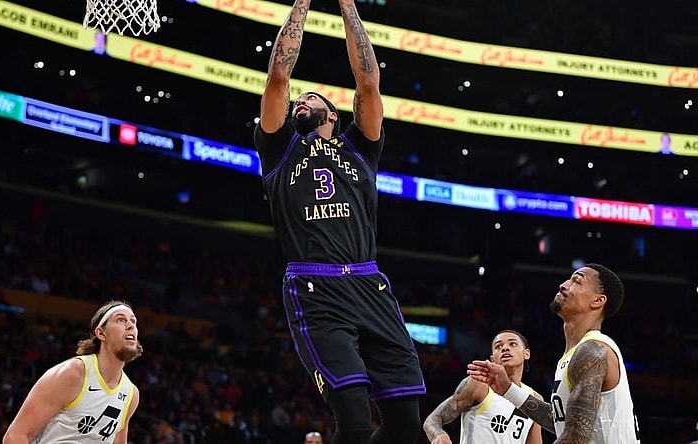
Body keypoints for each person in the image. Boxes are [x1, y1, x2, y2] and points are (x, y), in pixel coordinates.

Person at [253, 0, 426, 442]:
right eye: (299, 100)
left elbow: (368, 84)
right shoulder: (280, 149)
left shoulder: (361, 149)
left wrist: (347, 4)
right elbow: (278, 77)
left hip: (370, 284)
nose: (301, 101)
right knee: (351, 419)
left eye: (313, 98)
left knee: (406, 425)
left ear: (334, 114)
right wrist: (302, 4)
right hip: (316, 286)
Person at [468, 264, 640, 443]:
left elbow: (575, 437)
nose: (564, 285)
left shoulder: (592, 351)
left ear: (597, 301)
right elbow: (562, 423)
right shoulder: (575, 353)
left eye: (576, 281)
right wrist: (508, 390)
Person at [3, 300, 141, 443]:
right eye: (121, 320)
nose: (131, 325)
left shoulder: (130, 394)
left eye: (133, 321)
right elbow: (15, 435)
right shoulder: (73, 374)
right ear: (101, 333)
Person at [424, 330, 542, 444]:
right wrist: (439, 435)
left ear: (526, 354)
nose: (505, 348)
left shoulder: (535, 399)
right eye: (498, 346)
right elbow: (433, 419)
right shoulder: (478, 385)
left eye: (513, 344)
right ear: (492, 359)